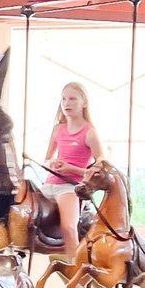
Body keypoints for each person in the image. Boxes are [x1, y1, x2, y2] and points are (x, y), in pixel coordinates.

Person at [45, 82, 104, 258]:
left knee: (68, 228)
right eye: (63, 99)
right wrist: (52, 163)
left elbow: (101, 164)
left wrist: (71, 169)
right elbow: (47, 158)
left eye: (72, 99)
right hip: (49, 183)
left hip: (70, 187)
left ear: (84, 103)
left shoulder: (90, 132)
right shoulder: (58, 129)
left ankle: (76, 275)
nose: (66, 103)